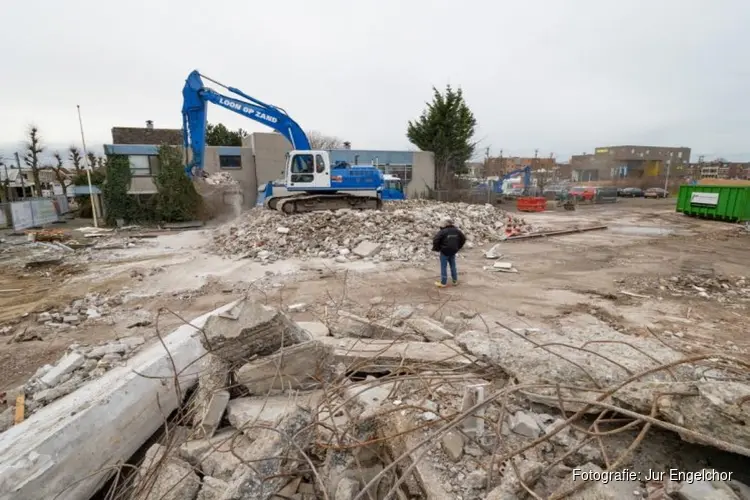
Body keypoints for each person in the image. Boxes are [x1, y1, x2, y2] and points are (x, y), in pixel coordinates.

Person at [432, 218, 466, 288]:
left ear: (446, 224)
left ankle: (443, 282)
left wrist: (438, 248)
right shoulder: (457, 231)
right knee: (453, 265)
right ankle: (455, 281)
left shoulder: (443, 231)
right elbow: (463, 239)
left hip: (444, 251)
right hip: (453, 251)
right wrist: (458, 247)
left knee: (443, 266)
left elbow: (436, 239)